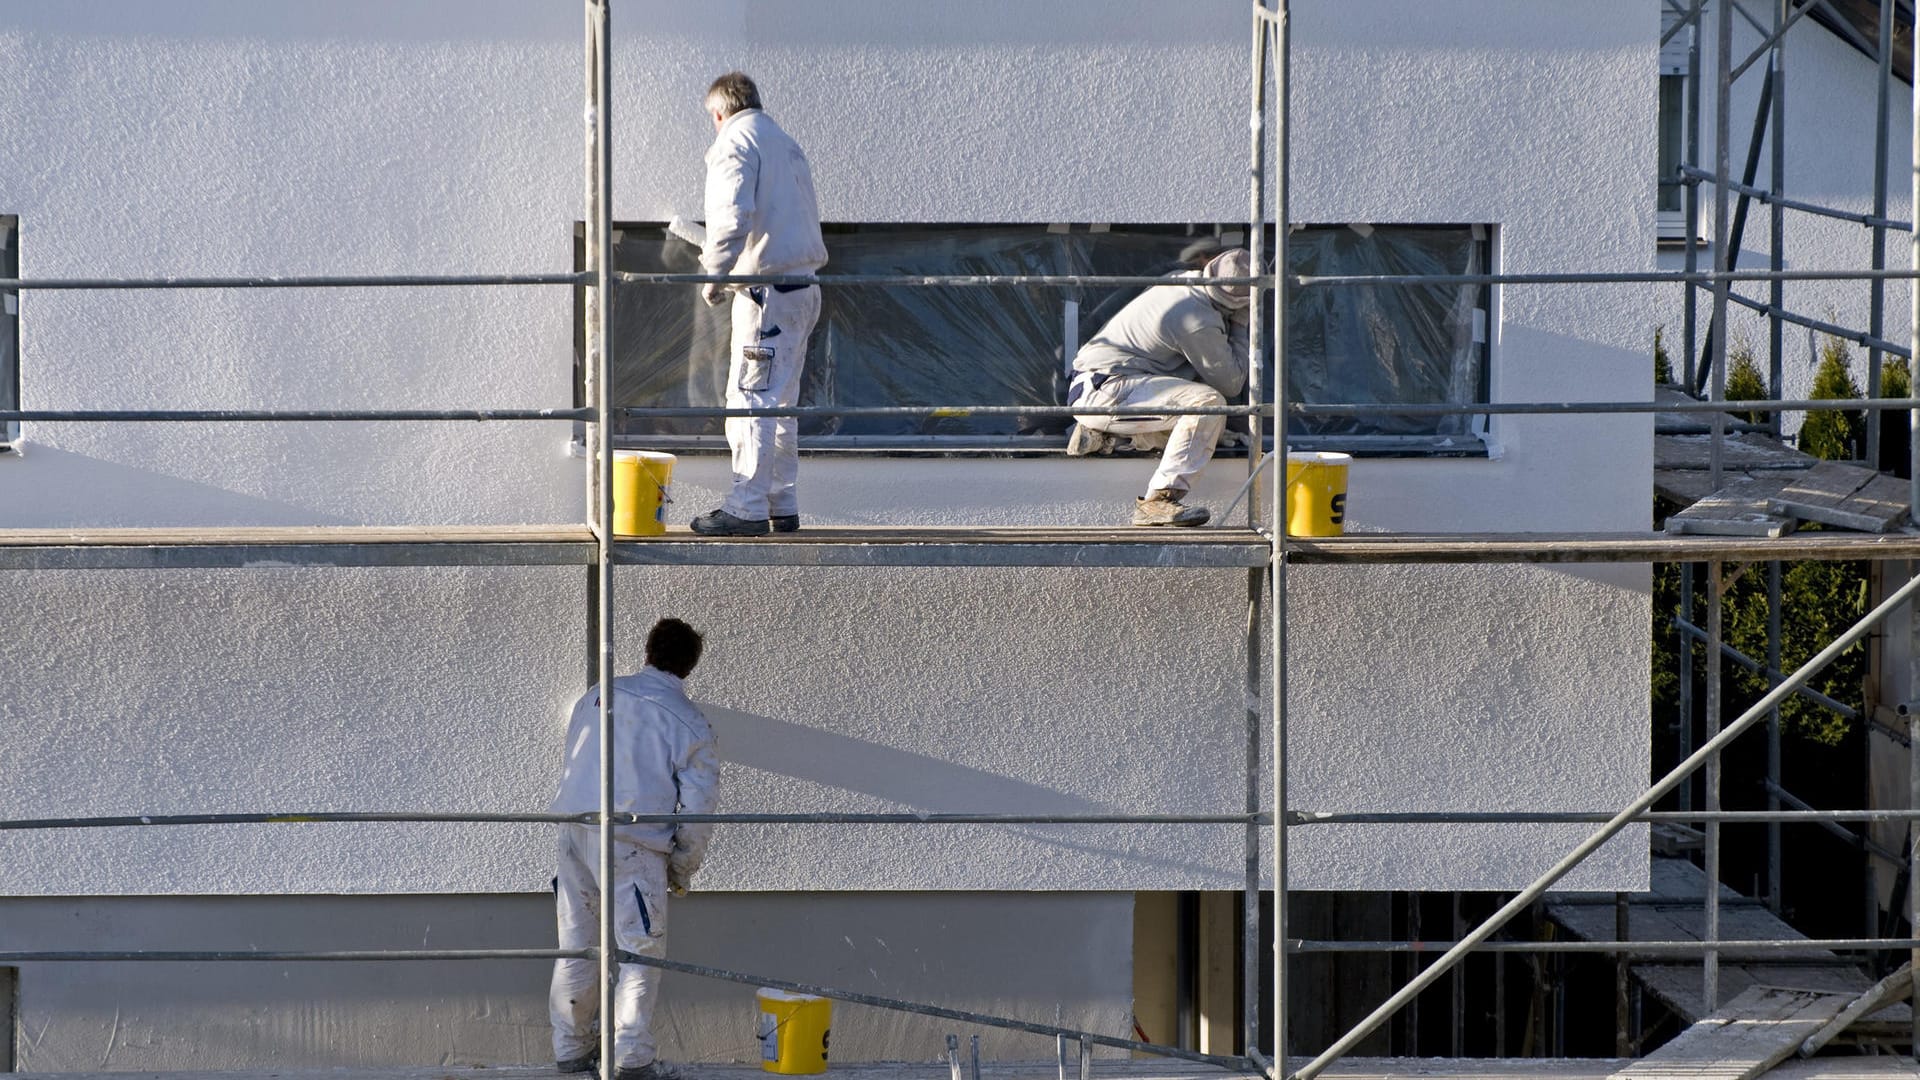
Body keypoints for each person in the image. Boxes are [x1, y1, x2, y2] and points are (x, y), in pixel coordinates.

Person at [549, 618, 719, 1080]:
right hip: (632, 840)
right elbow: (700, 808)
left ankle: (571, 1051)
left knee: (578, 945)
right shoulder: (686, 719)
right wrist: (682, 867)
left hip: (572, 830)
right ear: (689, 666)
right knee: (640, 952)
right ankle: (632, 1060)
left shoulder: (596, 696)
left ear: (647, 651)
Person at [690, 72, 829, 537]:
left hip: (766, 296)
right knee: (780, 403)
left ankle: (747, 508)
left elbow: (731, 213)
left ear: (718, 112)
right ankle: (781, 504)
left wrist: (715, 273)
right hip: (802, 290)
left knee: (750, 399)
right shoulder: (785, 142)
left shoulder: (735, 141)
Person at [1065, 248, 1253, 527]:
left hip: (1104, 383)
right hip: (1107, 389)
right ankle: (1158, 501)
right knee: (1208, 405)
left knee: (1205, 432)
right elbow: (1231, 383)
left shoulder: (1182, 280)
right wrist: (1241, 323)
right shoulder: (1195, 318)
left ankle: (1109, 437)